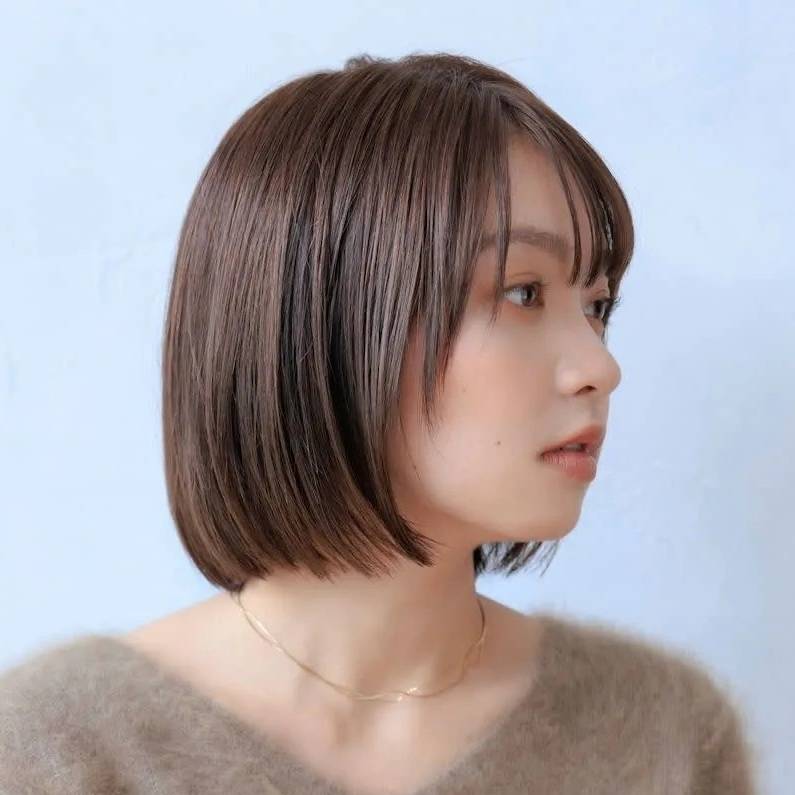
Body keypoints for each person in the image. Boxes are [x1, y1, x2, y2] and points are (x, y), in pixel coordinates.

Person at [0, 52, 758, 794]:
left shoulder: (665, 736)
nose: (599, 365)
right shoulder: (59, 752)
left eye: (596, 306)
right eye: (523, 292)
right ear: (322, 319)